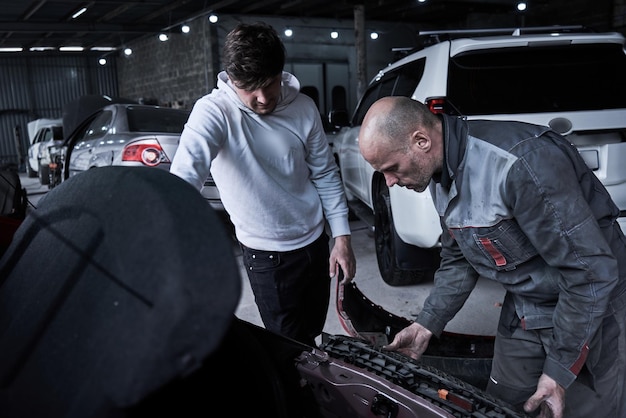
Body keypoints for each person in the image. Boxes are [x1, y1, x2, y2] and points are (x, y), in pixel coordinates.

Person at [358, 96, 626, 418]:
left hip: (594, 304)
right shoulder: (437, 170)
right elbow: (458, 258)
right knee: (501, 405)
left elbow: (590, 274)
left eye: (391, 169)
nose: (388, 182)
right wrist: (427, 323)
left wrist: (558, 369)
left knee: (592, 409)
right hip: (528, 304)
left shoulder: (519, 164)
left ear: (421, 141)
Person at [170, 22, 356, 347]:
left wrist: (342, 237)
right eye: (248, 88)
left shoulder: (303, 108)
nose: (261, 98)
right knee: (288, 350)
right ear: (231, 79)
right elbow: (185, 177)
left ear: (280, 73)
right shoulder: (213, 112)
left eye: (268, 85)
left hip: (315, 243)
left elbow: (325, 173)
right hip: (267, 258)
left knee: (313, 331)